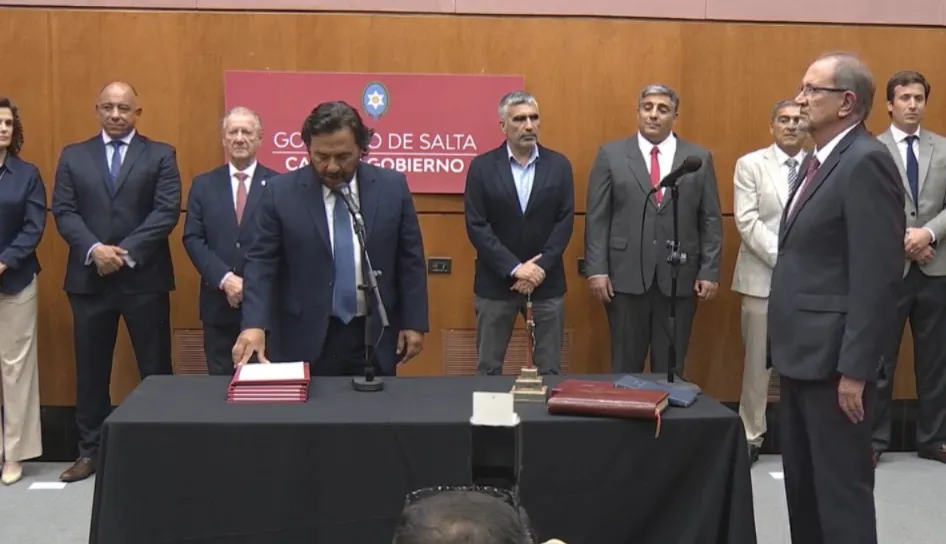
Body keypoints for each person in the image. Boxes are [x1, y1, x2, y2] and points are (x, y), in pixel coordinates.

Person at [768, 52, 904, 544]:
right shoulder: (819, 160)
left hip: (836, 368)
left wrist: (856, 370)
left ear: (847, 102)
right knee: (804, 492)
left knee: (840, 496)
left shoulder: (866, 162)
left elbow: (877, 276)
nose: (800, 99)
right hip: (801, 357)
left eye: (811, 89)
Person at [233, 101, 428, 376]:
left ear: (362, 148)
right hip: (303, 335)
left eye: (343, 156)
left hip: (372, 335)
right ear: (308, 150)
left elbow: (410, 259)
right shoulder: (281, 193)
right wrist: (254, 324)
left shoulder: (392, 187)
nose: (332, 167)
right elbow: (261, 263)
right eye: (321, 156)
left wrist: (414, 321)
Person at [51, 81, 181, 482]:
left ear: (137, 112)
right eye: (108, 107)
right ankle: (90, 451)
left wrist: (122, 253)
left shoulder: (161, 154)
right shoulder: (73, 155)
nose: (115, 114)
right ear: (97, 110)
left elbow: (166, 211)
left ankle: (162, 450)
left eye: (124, 108)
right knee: (91, 372)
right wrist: (95, 249)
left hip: (144, 279)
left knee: (155, 369)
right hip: (89, 281)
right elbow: (64, 211)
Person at [584, 83, 722, 376]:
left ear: (675, 116)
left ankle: (668, 408)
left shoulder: (697, 158)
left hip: (678, 279)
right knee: (625, 367)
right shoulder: (611, 154)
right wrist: (596, 269)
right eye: (647, 108)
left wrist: (709, 271)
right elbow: (597, 217)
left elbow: (710, 218)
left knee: (671, 368)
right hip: (624, 278)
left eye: (663, 109)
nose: (654, 115)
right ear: (638, 112)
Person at [464, 91, 574, 376]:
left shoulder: (559, 165)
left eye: (534, 118)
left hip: (546, 283)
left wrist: (537, 269)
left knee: (549, 369)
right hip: (496, 283)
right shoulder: (482, 167)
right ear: (503, 126)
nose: (528, 126)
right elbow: (477, 225)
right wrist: (515, 268)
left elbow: (564, 222)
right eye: (519, 119)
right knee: (489, 369)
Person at [873, 70, 946, 465]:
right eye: (905, 98)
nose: (913, 105)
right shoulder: (871, 150)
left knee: (936, 360)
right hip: (889, 271)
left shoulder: (943, 148)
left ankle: (933, 438)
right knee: (880, 359)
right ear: (890, 104)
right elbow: (867, 207)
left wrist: (928, 234)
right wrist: (906, 241)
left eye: (919, 98)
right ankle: (874, 440)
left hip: (936, 270)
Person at [731, 99, 806, 464]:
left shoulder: (821, 164)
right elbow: (747, 221)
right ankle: (751, 434)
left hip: (811, 282)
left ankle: (802, 436)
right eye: (784, 119)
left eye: (798, 119)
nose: (791, 125)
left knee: (807, 363)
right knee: (758, 365)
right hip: (762, 277)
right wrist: (784, 261)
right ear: (771, 126)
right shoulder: (750, 164)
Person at [183, 107, 279, 375]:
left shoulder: (279, 185)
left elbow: (283, 244)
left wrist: (252, 284)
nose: (239, 138)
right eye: (232, 132)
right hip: (218, 306)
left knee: (262, 385)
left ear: (260, 138)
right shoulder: (203, 185)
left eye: (246, 132)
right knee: (220, 386)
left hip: (264, 309)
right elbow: (192, 238)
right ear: (223, 139)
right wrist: (225, 279)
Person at [0, 97, 46, 485]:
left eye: (8, 123)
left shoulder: (26, 174)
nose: (3, 128)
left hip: (15, 282)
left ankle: (13, 454)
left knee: (15, 369)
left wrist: (4, 261)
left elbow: (34, 227)